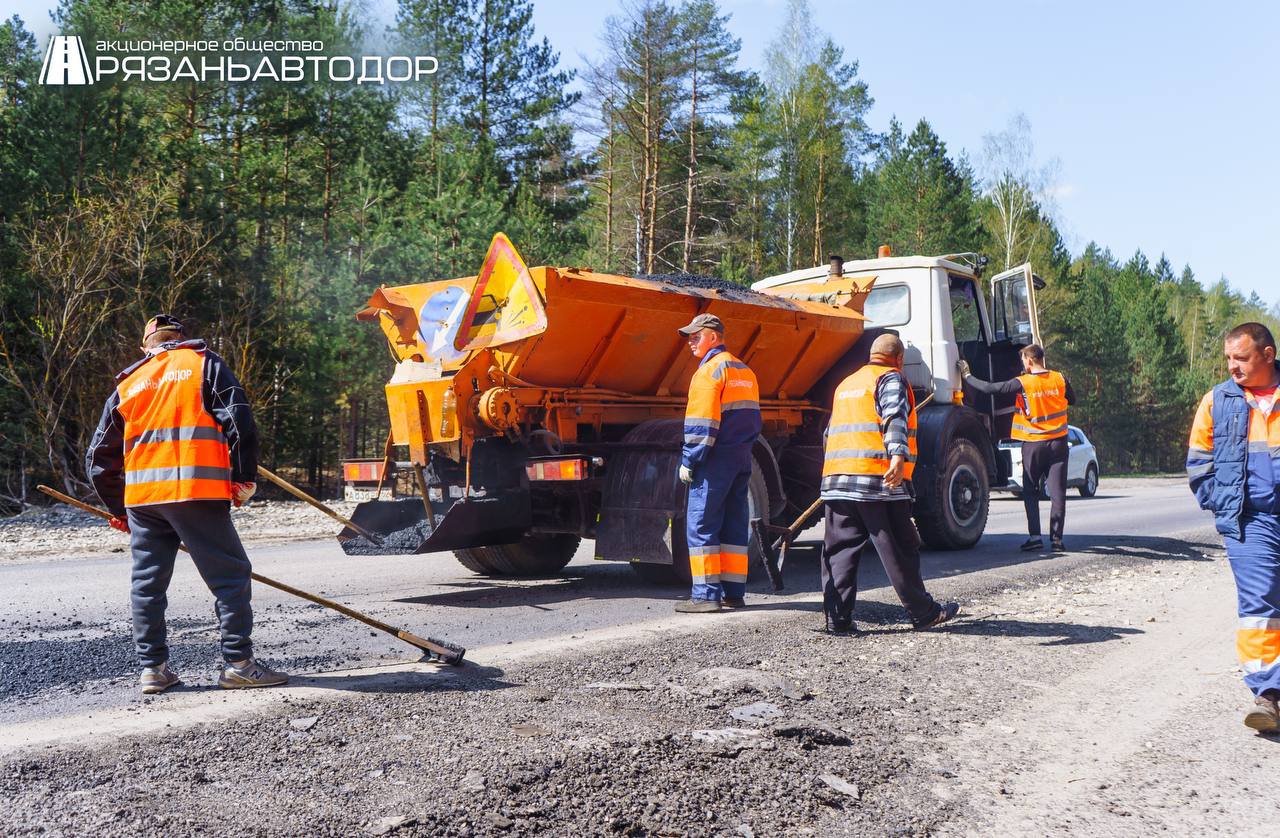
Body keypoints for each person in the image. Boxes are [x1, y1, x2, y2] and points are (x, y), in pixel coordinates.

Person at [86, 314, 287, 694]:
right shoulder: (204, 364)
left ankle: (153, 670)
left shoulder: (128, 383)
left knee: (147, 585)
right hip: (196, 492)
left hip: (144, 501)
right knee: (230, 577)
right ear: (180, 338)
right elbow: (239, 421)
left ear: (146, 346)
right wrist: (243, 477)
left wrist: (118, 509)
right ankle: (239, 665)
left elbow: (97, 458)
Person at [820, 333, 960, 633]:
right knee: (899, 547)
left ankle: (838, 619)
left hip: (837, 480)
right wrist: (898, 455)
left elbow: (828, 434)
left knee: (840, 551)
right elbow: (893, 416)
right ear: (898, 359)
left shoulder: (847, 384)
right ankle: (924, 614)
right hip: (879, 480)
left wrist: (836, 472)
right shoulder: (890, 378)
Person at [1186, 322, 1280, 733]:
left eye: (1241, 358)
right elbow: (1198, 459)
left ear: (1267, 355)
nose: (1232, 367)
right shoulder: (1218, 400)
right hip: (1250, 519)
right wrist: (1220, 501)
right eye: (1228, 358)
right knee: (1260, 605)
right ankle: (1269, 695)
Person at [674, 313, 762, 613]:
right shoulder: (745, 371)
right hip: (740, 457)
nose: (690, 342)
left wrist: (689, 459)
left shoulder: (709, 372)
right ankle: (733, 593)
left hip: (713, 460)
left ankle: (706, 595)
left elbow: (702, 424)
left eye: (695, 336)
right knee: (734, 525)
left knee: (702, 525)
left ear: (713, 336)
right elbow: (752, 420)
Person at [958, 345, 1076, 552]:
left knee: (1031, 490)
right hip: (1058, 443)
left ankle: (1035, 537)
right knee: (1057, 493)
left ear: (1029, 361)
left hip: (1034, 444)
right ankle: (1057, 540)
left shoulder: (1023, 383)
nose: (1023, 364)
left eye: (1023, 360)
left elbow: (990, 389)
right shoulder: (1059, 378)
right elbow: (1072, 400)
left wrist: (967, 375)